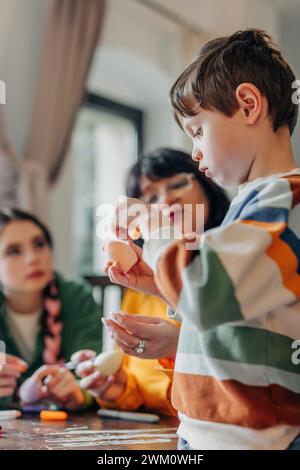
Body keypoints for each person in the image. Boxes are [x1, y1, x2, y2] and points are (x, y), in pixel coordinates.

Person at [105, 29, 300, 450]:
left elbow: (209, 294)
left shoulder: (281, 201)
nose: (194, 152)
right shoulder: (254, 204)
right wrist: (161, 291)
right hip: (213, 433)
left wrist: (157, 228)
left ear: (249, 105)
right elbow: (245, 315)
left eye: (196, 130)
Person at [75, 149, 229, 416]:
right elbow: (140, 388)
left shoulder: (236, 262)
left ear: (208, 186)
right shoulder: (141, 284)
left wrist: (183, 344)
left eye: (178, 184)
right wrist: (118, 390)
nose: (166, 201)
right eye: (151, 198)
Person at [0, 208, 102, 410]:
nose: (32, 258)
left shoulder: (77, 297)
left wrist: (78, 393)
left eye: (39, 244)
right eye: (14, 251)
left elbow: (90, 374)